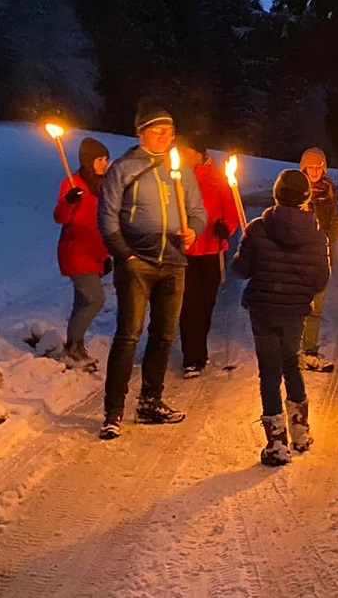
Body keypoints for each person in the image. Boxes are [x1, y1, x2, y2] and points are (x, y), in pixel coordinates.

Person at [96, 102, 206, 440]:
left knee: (163, 336)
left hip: (174, 264)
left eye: (170, 131)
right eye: (158, 130)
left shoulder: (181, 171)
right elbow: (106, 216)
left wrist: (194, 231)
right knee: (129, 335)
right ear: (141, 132)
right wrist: (124, 254)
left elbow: (197, 210)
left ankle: (150, 402)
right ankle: (113, 411)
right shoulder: (124, 168)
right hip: (137, 264)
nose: (165, 136)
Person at [233, 168, 331, 465]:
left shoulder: (257, 228)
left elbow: (241, 271)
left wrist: (243, 252)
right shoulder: (317, 236)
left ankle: (277, 444)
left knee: (269, 372)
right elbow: (320, 282)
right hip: (294, 312)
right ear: (305, 199)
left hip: (263, 311)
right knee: (292, 363)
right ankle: (300, 433)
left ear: (275, 194)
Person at [176, 135, 241, 377]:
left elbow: (232, 210)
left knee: (206, 303)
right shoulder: (177, 177)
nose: (181, 154)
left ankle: (199, 349)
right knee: (189, 303)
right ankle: (191, 358)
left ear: (198, 152)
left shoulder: (218, 178)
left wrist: (227, 227)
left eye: (185, 150)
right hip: (186, 251)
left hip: (212, 250)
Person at [52, 136, 111, 372]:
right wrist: (68, 201)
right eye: (100, 159)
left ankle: (77, 347)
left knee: (82, 302)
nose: (104, 163)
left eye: (106, 158)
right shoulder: (72, 183)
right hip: (75, 251)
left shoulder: (103, 187)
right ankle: (72, 349)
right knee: (96, 300)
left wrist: (106, 257)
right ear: (89, 161)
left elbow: (102, 225)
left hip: (94, 254)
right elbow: (60, 217)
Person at [298, 147, 338, 372]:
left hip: (321, 259)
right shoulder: (293, 189)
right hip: (296, 259)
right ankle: (290, 351)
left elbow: (337, 225)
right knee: (296, 306)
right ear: (303, 167)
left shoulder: (329, 192)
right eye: (311, 166)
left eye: (319, 167)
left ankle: (309, 351)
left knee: (315, 307)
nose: (315, 171)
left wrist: (324, 238)